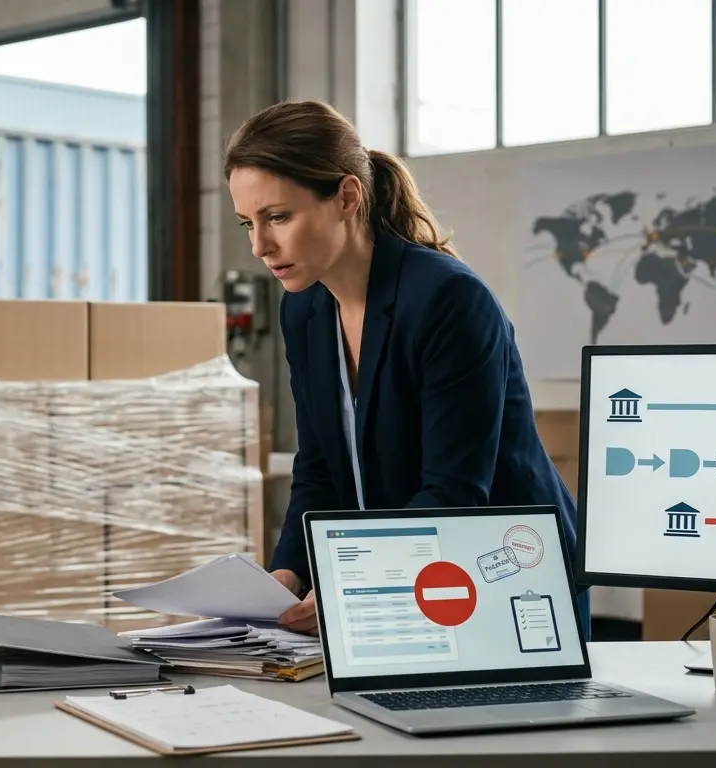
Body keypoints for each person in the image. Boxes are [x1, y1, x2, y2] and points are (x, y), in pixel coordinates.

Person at [224, 100, 591, 639]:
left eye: (278, 217)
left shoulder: (448, 299)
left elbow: (454, 489)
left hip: (512, 576)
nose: (260, 246)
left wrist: (358, 586)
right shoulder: (303, 307)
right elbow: (320, 467)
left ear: (347, 197)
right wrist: (289, 573)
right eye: (247, 224)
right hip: (414, 573)